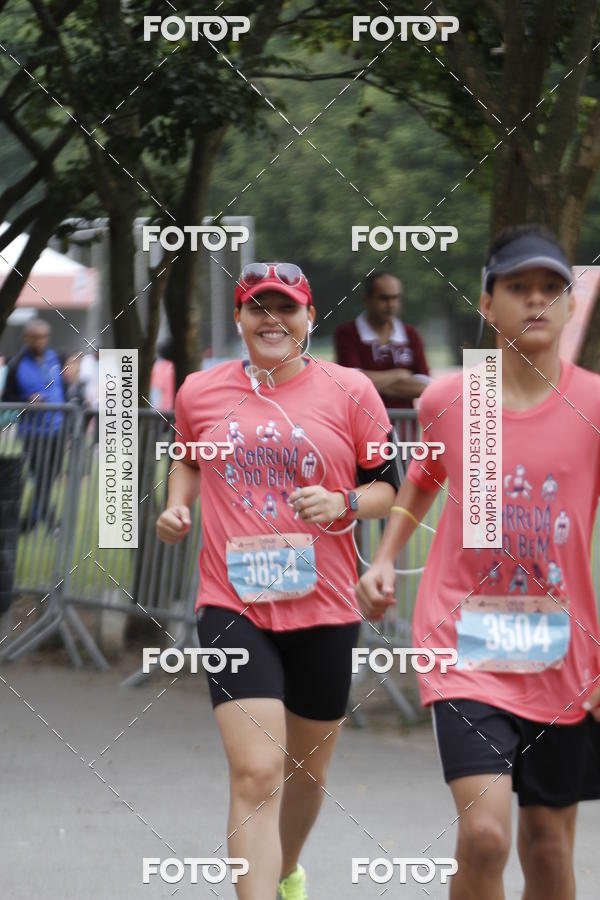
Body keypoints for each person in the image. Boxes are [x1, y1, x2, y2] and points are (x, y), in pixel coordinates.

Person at [356, 225, 600, 900]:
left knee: (549, 850)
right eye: (518, 288)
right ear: (488, 305)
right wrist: (384, 559)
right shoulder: (451, 401)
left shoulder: (596, 404)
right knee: (486, 837)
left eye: (552, 288)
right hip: (464, 647)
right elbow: (424, 480)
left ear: (572, 305)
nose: (537, 301)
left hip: (562, 657)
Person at [156, 262, 399, 899]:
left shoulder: (350, 390)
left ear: (309, 317)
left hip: (324, 608)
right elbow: (187, 459)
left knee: (307, 774)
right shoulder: (200, 391)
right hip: (234, 604)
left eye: (285, 308)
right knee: (257, 773)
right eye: (257, 308)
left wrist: (344, 502)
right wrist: (177, 506)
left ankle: (286, 870)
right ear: (237, 318)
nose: (272, 320)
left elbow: (388, 490)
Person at [334, 271, 431, 410]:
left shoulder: (411, 334)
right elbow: (350, 384)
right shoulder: (347, 333)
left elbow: (425, 386)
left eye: (395, 298)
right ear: (366, 299)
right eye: (384, 298)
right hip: (364, 426)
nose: (391, 304)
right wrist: (399, 374)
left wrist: (370, 382)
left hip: (405, 428)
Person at [2, 318, 65, 530]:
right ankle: (48, 522)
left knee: (51, 475)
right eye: (36, 337)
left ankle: (32, 520)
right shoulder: (16, 364)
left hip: (58, 428)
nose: (41, 341)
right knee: (41, 475)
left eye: (44, 337)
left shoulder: (54, 358)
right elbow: (7, 398)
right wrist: (27, 400)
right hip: (33, 431)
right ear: (26, 338)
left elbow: (62, 387)